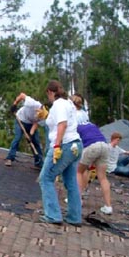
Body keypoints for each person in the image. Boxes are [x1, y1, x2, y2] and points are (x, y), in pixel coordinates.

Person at [39, 80, 83, 226]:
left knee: (46, 178)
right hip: (76, 145)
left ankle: (53, 215)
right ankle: (74, 217)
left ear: (50, 92)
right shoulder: (69, 103)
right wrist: (46, 116)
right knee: (71, 182)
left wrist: (57, 145)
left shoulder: (58, 104)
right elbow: (61, 122)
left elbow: (62, 124)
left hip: (64, 145)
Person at [76, 122, 113, 215]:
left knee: (79, 172)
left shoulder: (75, 127)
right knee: (103, 177)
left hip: (91, 146)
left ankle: (77, 200)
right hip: (105, 146)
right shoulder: (92, 125)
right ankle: (108, 207)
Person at [5, 92, 44, 168]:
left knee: (35, 141)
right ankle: (9, 158)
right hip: (20, 120)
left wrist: (30, 135)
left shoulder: (43, 116)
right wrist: (15, 104)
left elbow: (36, 124)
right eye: (38, 113)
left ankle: (39, 162)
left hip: (31, 124)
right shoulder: (32, 103)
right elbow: (22, 95)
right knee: (17, 138)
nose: (38, 116)